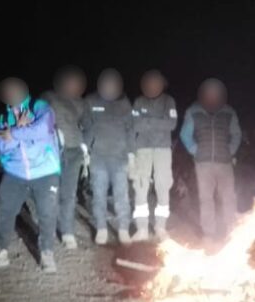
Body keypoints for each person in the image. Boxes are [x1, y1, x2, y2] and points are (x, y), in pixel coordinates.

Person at [0, 78, 63, 273]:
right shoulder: (4, 117)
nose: (11, 93)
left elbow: (43, 130)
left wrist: (14, 133)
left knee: (47, 213)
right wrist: (20, 129)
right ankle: (1, 251)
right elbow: (2, 145)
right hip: (15, 172)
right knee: (5, 211)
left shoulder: (40, 107)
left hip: (45, 171)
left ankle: (47, 253)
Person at [180, 78, 242, 243]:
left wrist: (230, 151)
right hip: (203, 164)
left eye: (216, 94)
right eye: (209, 93)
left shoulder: (229, 112)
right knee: (206, 199)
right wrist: (195, 150)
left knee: (228, 197)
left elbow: (236, 134)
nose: (213, 97)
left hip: (225, 163)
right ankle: (209, 234)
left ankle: (231, 230)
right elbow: (185, 134)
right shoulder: (193, 111)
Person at [85, 69, 134, 245]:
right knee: (99, 194)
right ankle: (101, 228)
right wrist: (85, 150)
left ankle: (123, 229)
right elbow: (86, 126)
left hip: (119, 158)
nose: (109, 87)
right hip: (98, 157)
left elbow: (130, 130)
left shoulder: (125, 103)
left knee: (122, 195)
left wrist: (132, 155)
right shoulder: (91, 101)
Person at [44, 66, 88, 250]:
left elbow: (86, 124)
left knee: (69, 194)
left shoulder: (80, 103)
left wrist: (85, 146)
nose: (73, 86)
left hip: (75, 151)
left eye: (76, 83)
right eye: (69, 82)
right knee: (51, 193)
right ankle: (47, 230)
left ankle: (67, 232)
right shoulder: (48, 97)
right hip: (53, 152)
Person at [131, 69, 178, 241]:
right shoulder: (139, 101)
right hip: (142, 148)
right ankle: (142, 229)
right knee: (140, 186)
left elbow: (171, 124)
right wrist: (158, 121)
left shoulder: (168, 101)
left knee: (163, 186)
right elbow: (135, 124)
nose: (152, 86)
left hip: (163, 149)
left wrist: (147, 121)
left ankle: (160, 227)